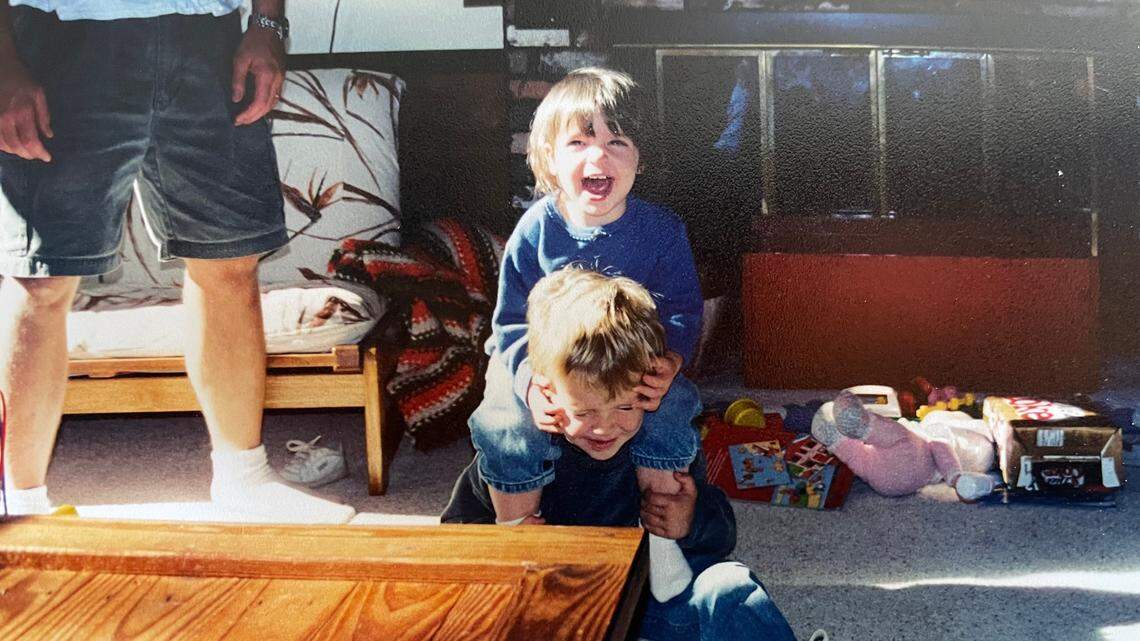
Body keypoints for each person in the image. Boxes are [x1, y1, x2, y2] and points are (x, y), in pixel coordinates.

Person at [0, 0, 354, 523]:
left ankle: (244, 481)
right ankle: (20, 504)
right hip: (63, 42)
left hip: (207, 40)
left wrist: (267, 23)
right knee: (42, 276)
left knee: (229, 260)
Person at [444, 268, 798, 641]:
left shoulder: (659, 449)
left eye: (626, 407)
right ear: (547, 393)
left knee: (730, 588)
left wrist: (690, 519)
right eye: (585, 412)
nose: (604, 428)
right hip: (554, 605)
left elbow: (721, 533)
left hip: (648, 603)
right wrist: (505, 544)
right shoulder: (519, 456)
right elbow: (455, 533)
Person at [469, 67, 704, 528]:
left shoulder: (662, 231)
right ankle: (516, 527)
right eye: (578, 142)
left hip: (627, 363)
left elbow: (682, 310)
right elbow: (511, 321)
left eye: (617, 141)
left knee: (672, 407)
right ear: (550, 158)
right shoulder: (536, 229)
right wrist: (529, 382)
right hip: (543, 364)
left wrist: (670, 359)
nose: (599, 155)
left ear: (640, 157)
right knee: (505, 422)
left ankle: (663, 525)